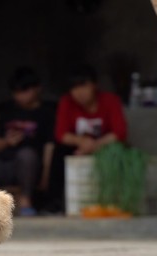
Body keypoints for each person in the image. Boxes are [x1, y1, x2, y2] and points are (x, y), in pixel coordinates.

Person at [0, 67, 56, 216]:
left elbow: (49, 146)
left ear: (37, 89)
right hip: (4, 165)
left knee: (26, 155)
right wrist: (7, 142)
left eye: (24, 91)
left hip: (29, 168)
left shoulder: (46, 113)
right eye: (16, 92)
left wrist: (46, 176)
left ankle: (25, 200)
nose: (20, 96)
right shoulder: (8, 111)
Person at [47, 64, 128, 211]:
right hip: (77, 146)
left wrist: (95, 145)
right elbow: (61, 134)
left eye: (84, 86)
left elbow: (119, 133)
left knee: (120, 152)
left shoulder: (110, 101)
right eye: (75, 88)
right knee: (58, 151)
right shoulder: (66, 102)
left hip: (105, 146)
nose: (79, 92)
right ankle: (54, 202)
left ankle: (116, 200)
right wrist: (82, 142)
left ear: (94, 85)